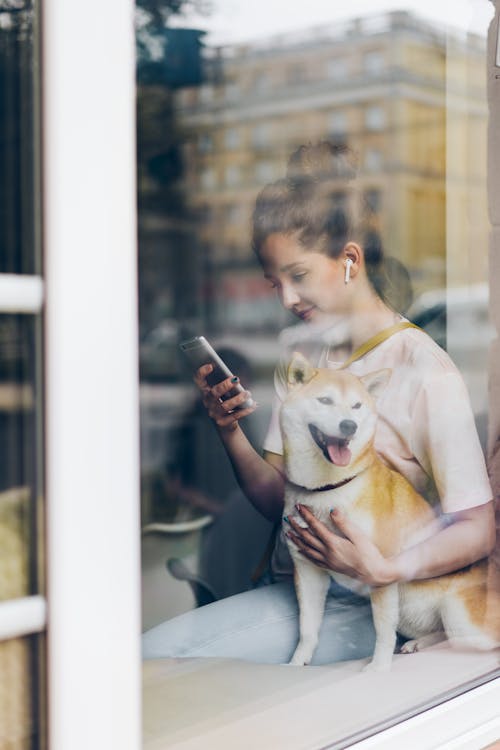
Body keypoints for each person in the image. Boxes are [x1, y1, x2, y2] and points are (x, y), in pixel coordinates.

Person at [142, 142, 495, 665]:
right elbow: (279, 500)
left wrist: (386, 569)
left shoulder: (424, 369)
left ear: (349, 260)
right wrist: (228, 428)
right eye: (273, 282)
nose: (285, 298)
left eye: (298, 276)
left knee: (160, 659)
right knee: (160, 658)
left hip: (375, 608)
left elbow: (478, 527)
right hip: (299, 592)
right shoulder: (306, 354)